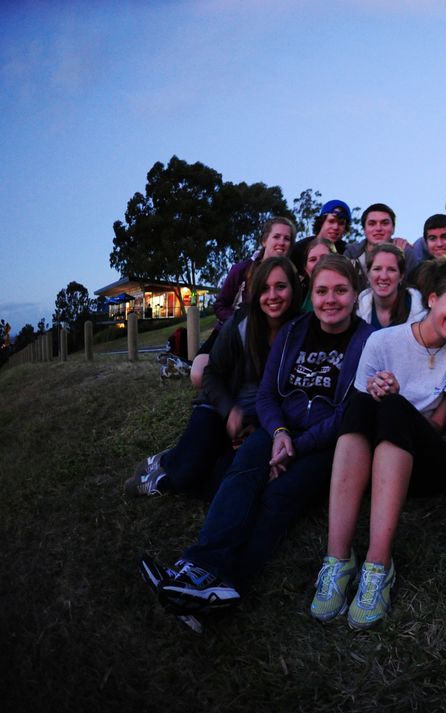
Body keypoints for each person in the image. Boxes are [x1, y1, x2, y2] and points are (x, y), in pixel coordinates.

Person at [140, 255, 374, 614]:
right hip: (279, 428)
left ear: (355, 294)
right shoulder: (294, 331)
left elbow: (348, 413)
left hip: (326, 443)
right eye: (322, 290)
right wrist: (279, 433)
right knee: (245, 469)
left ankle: (228, 584)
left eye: (340, 291)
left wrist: (295, 446)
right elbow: (267, 394)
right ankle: (199, 566)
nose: (330, 299)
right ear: (311, 294)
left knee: (279, 494)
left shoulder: (368, 341)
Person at [309, 261, 446, 628]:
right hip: (375, 459)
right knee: (362, 402)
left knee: (390, 404)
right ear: (433, 299)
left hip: (428, 464)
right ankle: (337, 558)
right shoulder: (383, 341)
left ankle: (378, 564)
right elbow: (358, 417)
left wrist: (395, 401)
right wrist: (378, 395)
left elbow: (438, 425)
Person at [126, 257, 303, 499]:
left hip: (258, 423)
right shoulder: (240, 325)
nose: (272, 295)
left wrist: (261, 426)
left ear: (294, 288)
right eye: (264, 288)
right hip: (218, 406)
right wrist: (229, 410)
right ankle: (166, 463)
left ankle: (179, 468)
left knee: (225, 483)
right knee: (187, 473)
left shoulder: (299, 331)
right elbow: (212, 374)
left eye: (281, 286)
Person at [191, 217, 296, 388]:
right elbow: (220, 305)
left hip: (267, 339)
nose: (282, 242)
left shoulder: (290, 275)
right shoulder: (242, 269)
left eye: (287, 238)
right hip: (229, 333)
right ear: (264, 240)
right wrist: (241, 323)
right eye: (276, 237)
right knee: (198, 374)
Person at [343, 203, 414, 289]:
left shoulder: (406, 253)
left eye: (384, 223)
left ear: (393, 228)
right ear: (364, 229)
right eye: (372, 224)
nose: (378, 228)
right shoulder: (351, 254)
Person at [356, 243, 424, 329]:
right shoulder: (358, 312)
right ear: (368, 274)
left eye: (391, 270)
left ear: (401, 276)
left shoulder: (421, 314)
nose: (384, 276)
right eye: (377, 269)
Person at [405, 214, 446, 288]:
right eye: (433, 238)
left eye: (444, 237)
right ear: (426, 242)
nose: (439, 244)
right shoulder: (417, 274)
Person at [293, 237, 335, 312]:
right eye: (313, 259)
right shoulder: (296, 296)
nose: (319, 263)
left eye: (324, 257)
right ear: (306, 268)